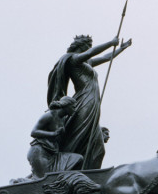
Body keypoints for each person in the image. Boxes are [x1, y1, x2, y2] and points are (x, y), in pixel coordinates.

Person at [47, 34, 132, 169]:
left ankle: (91, 173)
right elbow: (92, 52)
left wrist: (121, 49)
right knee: (79, 135)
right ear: (81, 46)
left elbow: (105, 57)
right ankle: (66, 166)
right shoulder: (74, 59)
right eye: (88, 46)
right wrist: (110, 42)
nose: (89, 49)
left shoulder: (88, 62)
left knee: (98, 146)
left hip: (93, 101)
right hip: (84, 101)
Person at [24, 96, 82, 179]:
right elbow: (33, 132)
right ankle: (16, 183)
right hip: (40, 152)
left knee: (78, 159)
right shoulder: (49, 115)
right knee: (43, 180)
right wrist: (53, 134)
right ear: (66, 105)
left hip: (53, 154)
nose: (75, 109)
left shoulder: (63, 118)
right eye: (73, 107)